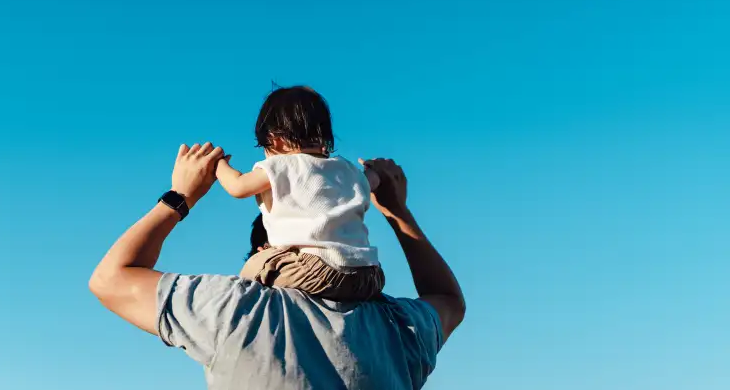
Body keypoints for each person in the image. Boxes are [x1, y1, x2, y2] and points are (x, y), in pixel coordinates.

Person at [89, 142, 465, 389]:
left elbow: (110, 279)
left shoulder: (235, 311)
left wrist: (179, 197)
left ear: (265, 249)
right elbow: (447, 299)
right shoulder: (399, 330)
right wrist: (397, 212)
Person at [216, 86, 384, 301]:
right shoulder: (348, 169)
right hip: (369, 275)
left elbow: (238, 187)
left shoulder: (282, 165)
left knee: (256, 264)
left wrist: (218, 164)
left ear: (273, 139)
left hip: (318, 270)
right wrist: (374, 170)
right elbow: (372, 181)